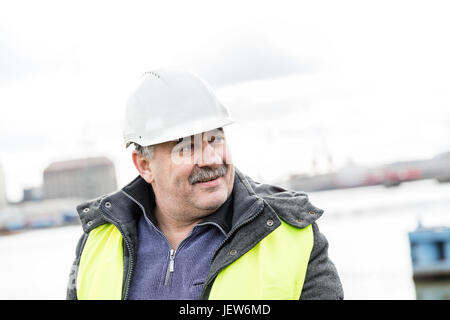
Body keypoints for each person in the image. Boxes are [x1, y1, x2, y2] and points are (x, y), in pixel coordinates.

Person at [66, 68, 343, 300]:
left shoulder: (291, 234)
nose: (211, 158)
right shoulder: (97, 242)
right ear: (144, 165)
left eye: (215, 139)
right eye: (187, 147)